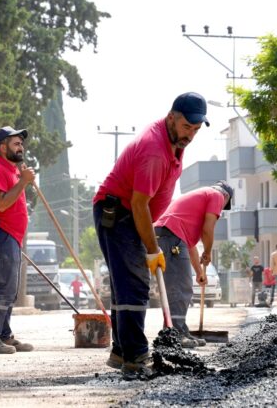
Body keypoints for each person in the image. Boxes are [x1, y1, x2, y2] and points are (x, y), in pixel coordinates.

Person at [93, 92, 208, 377]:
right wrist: (153, 248)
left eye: (195, 130)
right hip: (118, 215)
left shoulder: (174, 140)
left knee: (125, 283)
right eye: (186, 127)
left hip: (128, 215)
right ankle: (136, 355)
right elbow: (138, 204)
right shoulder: (154, 150)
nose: (190, 135)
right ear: (172, 117)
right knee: (134, 284)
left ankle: (122, 350)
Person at [153, 181, 233, 348]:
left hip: (168, 235)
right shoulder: (217, 195)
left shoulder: (196, 203)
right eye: (224, 207)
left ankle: (178, 330)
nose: (220, 211)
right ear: (226, 197)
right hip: (170, 236)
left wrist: (199, 272)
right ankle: (175, 334)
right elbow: (208, 228)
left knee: (180, 285)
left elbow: (190, 247)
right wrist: (209, 251)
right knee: (179, 286)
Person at [0, 126, 35, 354]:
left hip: (13, 237)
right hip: (3, 235)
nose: (20, 147)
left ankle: (4, 334)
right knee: (6, 288)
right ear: (3, 147)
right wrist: (23, 182)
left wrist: (22, 179)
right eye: (15, 143)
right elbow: (1, 204)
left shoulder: (12, 171)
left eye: (21, 144)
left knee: (11, 289)